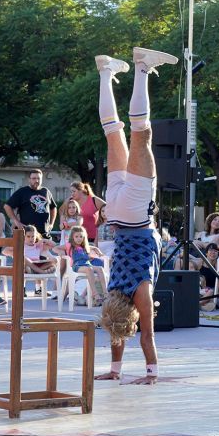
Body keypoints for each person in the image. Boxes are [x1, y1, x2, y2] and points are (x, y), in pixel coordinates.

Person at [91, 47, 177, 385]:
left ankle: (141, 67)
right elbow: (116, 330)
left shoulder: (139, 294)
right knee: (113, 133)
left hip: (138, 214)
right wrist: (113, 371)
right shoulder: (111, 290)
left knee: (141, 134)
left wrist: (151, 374)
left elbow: (145, 337)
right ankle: (105, 72)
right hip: (114, 210)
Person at [53, 226, 108, 306]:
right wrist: (60, 253)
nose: (79, 239)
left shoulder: (84, 246)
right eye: (76, 236)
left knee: (100, 268)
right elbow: (55, 248)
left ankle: (105, 293)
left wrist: (96, 249)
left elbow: (92, 247)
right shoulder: (69, 245)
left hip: (87, 265)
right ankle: (95, 294)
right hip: (76, 266)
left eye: (81, 236)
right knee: (89, 269)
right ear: (72, 237)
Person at [5, 169, 58, 239]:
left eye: (38, 178)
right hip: (27, 235)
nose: (36, 180)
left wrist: (51, 224)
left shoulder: (46, 191)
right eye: (34, 178)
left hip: (44, 234)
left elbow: (53, 208)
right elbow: (7, 206)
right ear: (29, 179)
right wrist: (16, 222)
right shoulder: (22, 192)